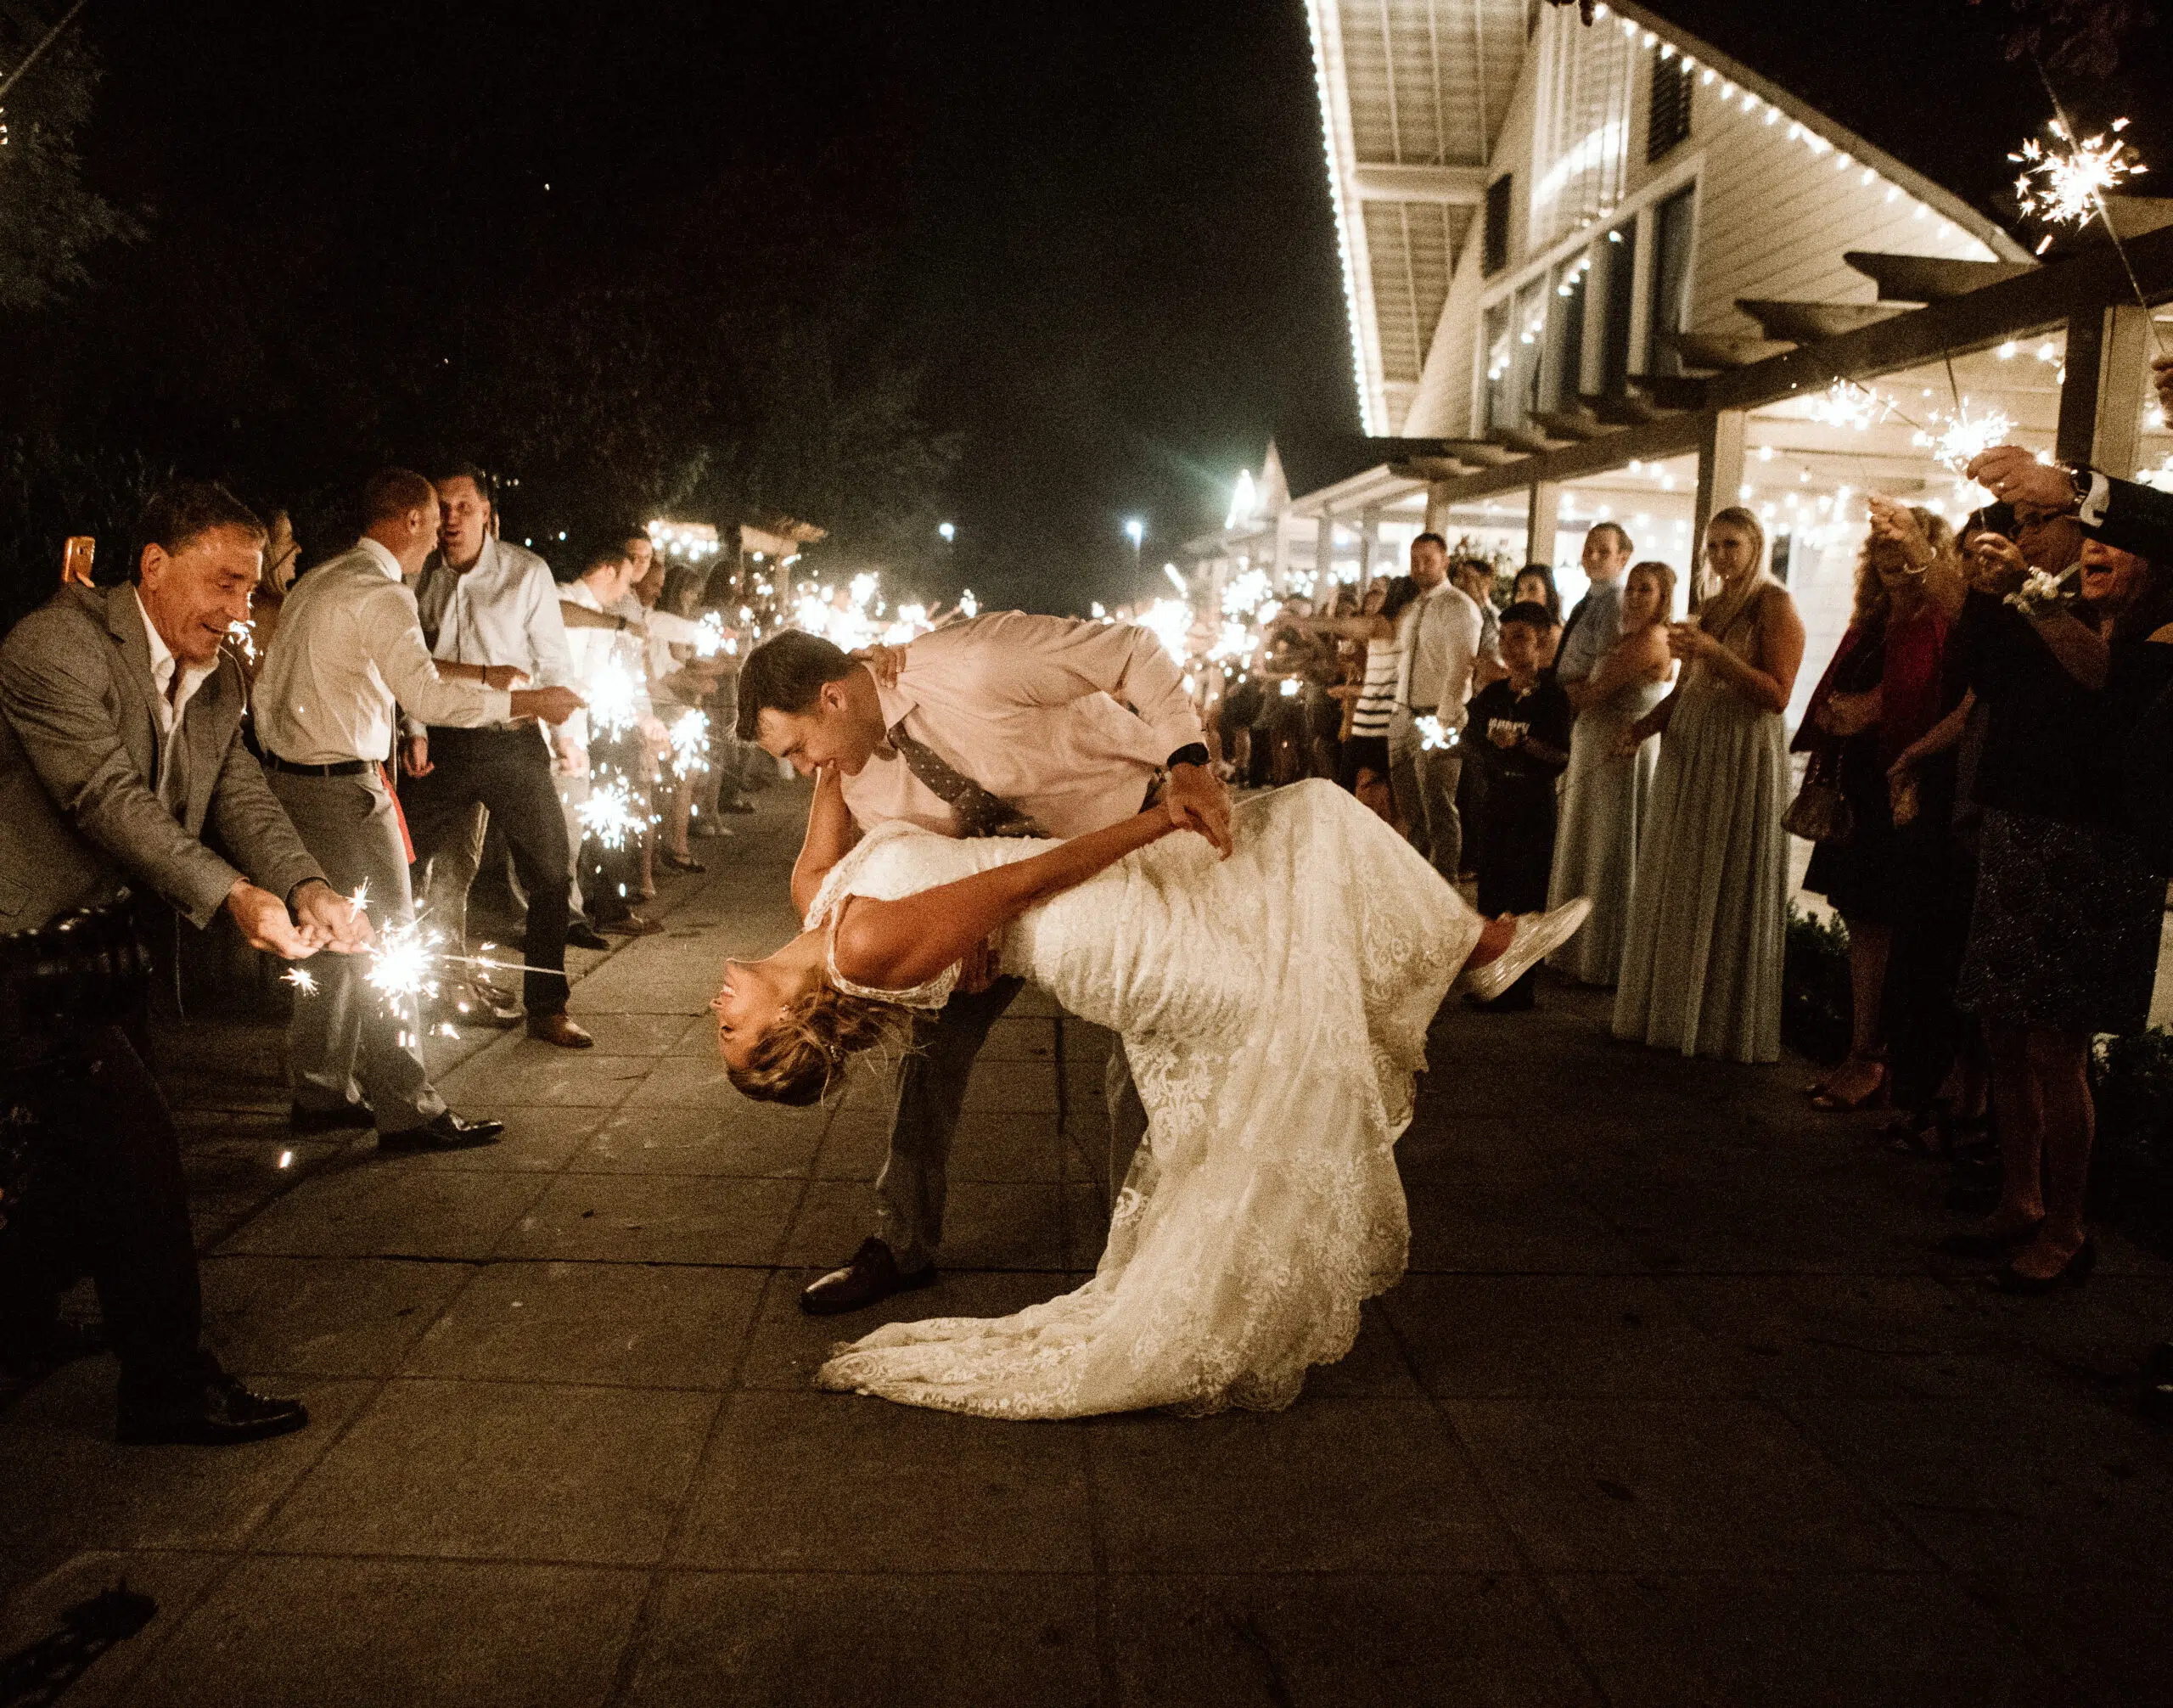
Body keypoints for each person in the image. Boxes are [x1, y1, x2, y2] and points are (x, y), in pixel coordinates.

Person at [713, 769, 1590, 1419]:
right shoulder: (860, 943)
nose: (718, 1010)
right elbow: (1023, 882)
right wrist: (1156, 822)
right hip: (1105, 928)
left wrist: (830, 733)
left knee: (1314, 813)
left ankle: (1482, 946)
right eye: (731, 1030)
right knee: (1280, 996)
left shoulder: (817, 905)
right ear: (785, 1026)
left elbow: (828, 776)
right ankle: (1477, 952)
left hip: (1101, 898)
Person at [0, 480, 368, 1444]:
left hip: (100, 952)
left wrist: (304, 885)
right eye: (223, 582)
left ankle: (18, 1320)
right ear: (153, 566)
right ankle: (165, 1387)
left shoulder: (219, 670)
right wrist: (229, 897)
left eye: (251, 587)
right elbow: (105, 799)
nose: (241, 608)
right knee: (142, 1162)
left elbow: (236, 786)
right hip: (17, 948)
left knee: (83, 1166)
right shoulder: (53, 647)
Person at [735, 617, 1232, 1316]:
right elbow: (927, 863)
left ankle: (1141, 1258)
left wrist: (1188, 762)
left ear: (833, 699)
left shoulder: (970, 662)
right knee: (930, 1049)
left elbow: (1134, 650)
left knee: (1143, 1063)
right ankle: (901, 1241)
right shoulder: (856, 781)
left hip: (1135, 845)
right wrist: (956, 928)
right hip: (1005, 903)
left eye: (798, 746)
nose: (804, 768)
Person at [254, 469, 582, 1147]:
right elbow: (427, 696)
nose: (444, 528)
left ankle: (318, 1092)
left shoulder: (321, 578)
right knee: (389, 946)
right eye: (436, 515)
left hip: (291, 780)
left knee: (332, 943)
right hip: (344, 786)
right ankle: (409, 1109)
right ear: (410, 520)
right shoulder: (383, 592)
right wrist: (526, 703)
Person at [1939, 518, 2172, 1291]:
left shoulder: (2159, 633)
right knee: (2004, 1031)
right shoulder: (2051, 607)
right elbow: (1974, 677)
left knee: (2054, 1047)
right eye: (2093, 543)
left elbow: (2103, 679)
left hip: (2095, 855)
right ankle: (2020, 1197)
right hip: (2021, 836)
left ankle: (2070, 1229)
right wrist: (1983, 594)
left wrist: (2035, 604)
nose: (2098, 554)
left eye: (2119, 546)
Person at [402, 464, 591, 1048]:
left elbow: (555, 661)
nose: (452, 519)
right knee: (397, 863)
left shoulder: (525, 573)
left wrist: (565, 735)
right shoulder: (417, 575)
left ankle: (548, 1006)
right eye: (443, 507)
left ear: (487, 511)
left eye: (463, 506)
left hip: (509, 739)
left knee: (551, 872)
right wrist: (414, 731)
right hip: (442, 741)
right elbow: (406, 660)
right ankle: (401, 998)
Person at [1613, 508, 1805, 1064]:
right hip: (1691, 751)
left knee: (1726, 873)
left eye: (1731, 546)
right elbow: (1687, 689)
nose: (1721, 557)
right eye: (1713, 547)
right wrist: (1644, 727)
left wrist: (1716, 654)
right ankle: (1675, 1010)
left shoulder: (1774, 604)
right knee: (1685, 875)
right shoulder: (1714, 605)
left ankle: (1720, 1019)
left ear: (1755, 546)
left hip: (1740, 752)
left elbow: (1777, 694)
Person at [1792, 502, 1960, 1112]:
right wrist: (1836, 714)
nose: (1891, 562)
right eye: (1882, 550)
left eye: (1905, 551)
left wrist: (1871, 709)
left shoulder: (1942, 618)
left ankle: (1876, 1059)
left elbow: (1930, 693)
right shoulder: (1873, 620)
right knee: (1861, 920)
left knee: (1887, 924)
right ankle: (1863, 1049)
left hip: (1903, 784)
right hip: (1859, 781)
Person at [1547, 559, 1674, 986]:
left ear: (1663, 598)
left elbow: (1591, 693)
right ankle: (1576, 948)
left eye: (1646, 590)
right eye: (1633, 588)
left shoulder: (1652, 639)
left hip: (1620, 750)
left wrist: (1559, 682)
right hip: (1597, 744)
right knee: (1587, 839)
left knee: (1610, 845)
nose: (1635, 596)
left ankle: (1605, 955)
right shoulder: (1626, 637)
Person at [1463, 602, 1573, 1009]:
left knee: (1526, 894)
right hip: (1495, 801)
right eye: (1504, 637)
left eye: (1520, 637)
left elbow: (1562, 756)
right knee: (1491, 889)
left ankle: (1520, 986)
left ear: (1542, 642)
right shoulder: (1492, 695)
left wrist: (1523, 743)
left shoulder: (1552, 698)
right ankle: (1488, 979)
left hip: (1532, 804)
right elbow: (1470, 738)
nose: (1509, 646)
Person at [557, 537, 665, 937]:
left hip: (586, 729)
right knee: (562, 830)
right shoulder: (566, 599)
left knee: (586, 824)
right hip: (556, 731)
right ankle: (565, 916)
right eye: (627, 569)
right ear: (607, 570)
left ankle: (581, 911)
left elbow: (603, 681)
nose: (626, 592)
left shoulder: (608, 614)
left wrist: (641, 718)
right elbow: (563, 672)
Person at [1390, 533, 1485, 879]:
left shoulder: (1458, 606)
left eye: (1428, 560)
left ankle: (1443, 884)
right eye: (1415, 559)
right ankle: (1417, 882)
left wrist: (1444, 720)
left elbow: (1460, 668)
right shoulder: (1414, 608)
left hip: (1436, 717)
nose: (1419, 567)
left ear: (1445, 563)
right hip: (1403, 713)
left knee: (1440, 808)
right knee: (1412, 809)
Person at [1553, 523, 1635, 702]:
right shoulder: (1589, 600)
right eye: (1588, 550)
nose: (1593, 557)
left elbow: (1605, 664)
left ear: (1622, 559)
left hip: (1581, 701)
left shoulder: (1614, 603)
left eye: (1604, 552)